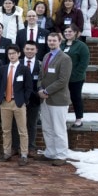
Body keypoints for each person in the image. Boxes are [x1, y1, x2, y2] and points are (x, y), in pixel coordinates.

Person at [38, 33, 73, 166]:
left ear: (59, 42)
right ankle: (50, 152)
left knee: (59, 129)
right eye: (49, 40)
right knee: (47, 127)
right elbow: (41, 76)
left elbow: (63, 80)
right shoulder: (46, 56)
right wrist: (40, 89)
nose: (51, 42)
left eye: (54, 40)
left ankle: (61, 155)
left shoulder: (65, 58)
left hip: (58, 99)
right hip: (45, 99)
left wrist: (47, 91)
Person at [0, 44, 34, 166]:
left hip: (18, 103)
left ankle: (24, 154)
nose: (11, 56)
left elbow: (29, 87)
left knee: (22, 130)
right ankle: (7, 152)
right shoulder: (3, 68)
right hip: (5, 102)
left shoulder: (24, 69)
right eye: (9, 54)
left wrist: (24, 100)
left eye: (14, 53)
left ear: (19, 54)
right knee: (6, 130)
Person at [12, 41, 42, 157]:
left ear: (36, 50)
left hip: (34, 99)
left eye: (32, 49)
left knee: (31, 124)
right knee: (16, 124)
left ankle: (31, 147)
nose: (29, 51)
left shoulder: (40, 64)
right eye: (27, 49)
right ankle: (15, 146)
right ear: (23, 51)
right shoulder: (17, 63)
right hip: (19, 99)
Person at [63, 25, 90, 128]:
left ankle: (79, 119)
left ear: (75, 33)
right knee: (64, 98)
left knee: (75, 97)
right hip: (63, 78)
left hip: (76, 78)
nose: (67, 33)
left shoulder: (81, 46)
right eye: (65, 32)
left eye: (70, 31)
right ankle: (63, 118)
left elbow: (84, 63)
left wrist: (75, 74)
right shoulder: (62, 45)